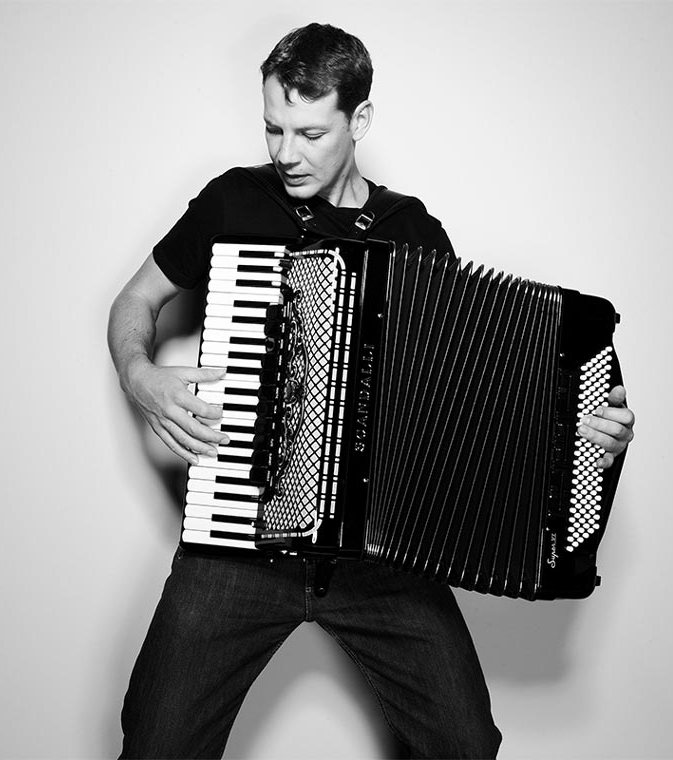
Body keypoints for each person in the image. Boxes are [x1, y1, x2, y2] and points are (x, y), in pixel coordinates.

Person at [108, 23, 635, 760]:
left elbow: (472, 400)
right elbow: (134, 302)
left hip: (380, 557)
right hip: (239, 544)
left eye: (310, 133)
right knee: (156, 742)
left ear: (359, 120)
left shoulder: (412, 230)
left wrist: (579, 428)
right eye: (273, 128)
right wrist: (141, 377)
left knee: (464, 745)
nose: (285, 153)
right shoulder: (232, 203)